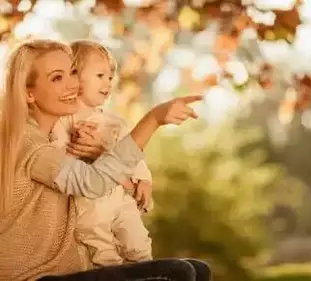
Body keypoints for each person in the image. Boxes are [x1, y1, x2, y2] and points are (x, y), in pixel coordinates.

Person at [0, 39, 210, 281]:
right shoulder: (28, 144)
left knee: (198, 268)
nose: (72, 84)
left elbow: (107, 189)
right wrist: (152, 120)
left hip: (72, 270)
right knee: (177, 272)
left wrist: (129, 175)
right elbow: (91, 183)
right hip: (33, 277)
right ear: (29, 93)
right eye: (57, 78)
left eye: (73, 72)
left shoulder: (60, 134)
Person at [51, 40, 153, 267]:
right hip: (89, 205)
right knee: (102, 252)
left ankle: (150, 271)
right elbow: (55, 161)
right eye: (100, 75)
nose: (108, 82)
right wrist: (74, 145)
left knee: (139, 246)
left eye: (110, 77)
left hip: (121, 199)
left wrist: (144, 178)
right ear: (74, 75)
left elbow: (134, 152)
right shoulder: (62, 120)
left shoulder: (116, 123)